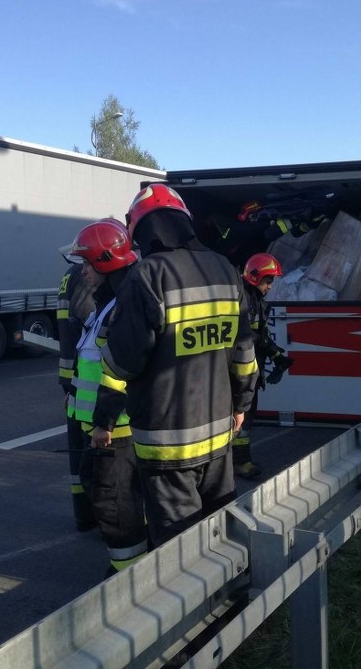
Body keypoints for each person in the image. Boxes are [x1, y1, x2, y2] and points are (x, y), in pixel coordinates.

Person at [91, 183, 259, 547]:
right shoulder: (227, 271)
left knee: (179, 548)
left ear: (142, 231)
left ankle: (198, 604)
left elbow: (121, 363)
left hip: (166, 445)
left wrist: (103, 421)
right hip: (218, 435)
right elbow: (245, 353)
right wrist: (242, 405)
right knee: (222, 530)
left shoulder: (147, 276)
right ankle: (234, 597)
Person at [67, 219, 149, 575]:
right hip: (101, 428)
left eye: (88, 264)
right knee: (108, 497)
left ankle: (128, 574)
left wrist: (104, 422)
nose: (83, 271)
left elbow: (120, 368)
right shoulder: (106, 302)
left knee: (115, 504)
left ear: (106, 263)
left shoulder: (121, 306)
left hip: (116, 430)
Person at [232, 252, 294, 479]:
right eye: (268, 282)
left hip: (250, 369)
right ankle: (240, 462)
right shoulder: (245, 300)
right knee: (243, 420)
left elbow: (261, 335)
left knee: (245, 419)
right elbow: (248, 335)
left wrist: (277, 356)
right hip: (242, 371)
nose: (269, 287)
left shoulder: (256, 301)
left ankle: (238, 460)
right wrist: (273, 351)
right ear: (256, 277)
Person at [57, 254, 97, 531]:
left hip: (73, 378)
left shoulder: (70, 275)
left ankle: (83, 517)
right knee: (92, 451)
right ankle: (95, 516)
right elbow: (87, 322)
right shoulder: (86, 276)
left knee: (78, 451)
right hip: (87, 379)